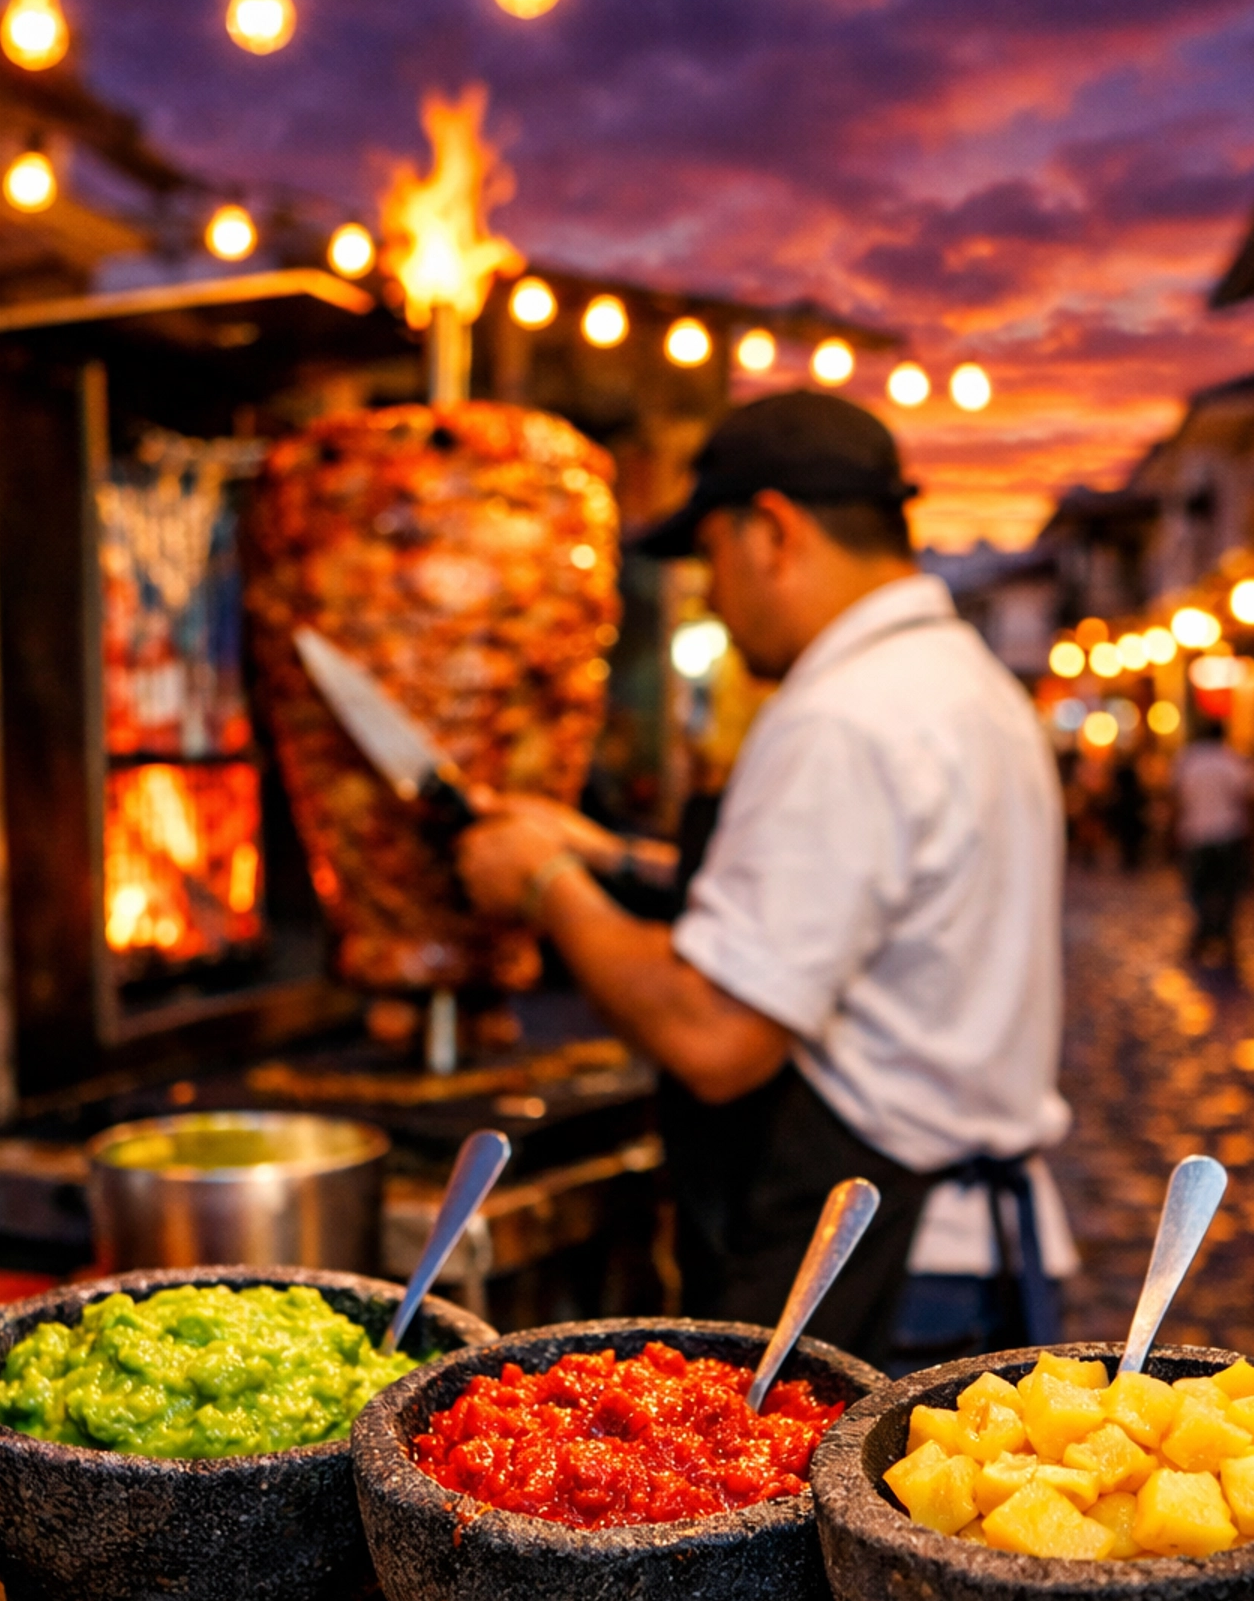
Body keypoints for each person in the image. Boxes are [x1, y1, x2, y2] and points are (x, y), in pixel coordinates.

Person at [456, 392, 1071, 1366]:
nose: (711, 595)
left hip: (880, 1270)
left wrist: (547, 886)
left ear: (770, 531)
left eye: (709, 560)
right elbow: (849, 900)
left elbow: (717, 1036)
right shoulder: (967, 684)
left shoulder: (843, 715)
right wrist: (612, 858)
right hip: (969, 1255)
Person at [1172, 711, 1254, 966]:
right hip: (1228, 834)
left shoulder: (1187, 761)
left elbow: (1177, 800)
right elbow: (1247, 797)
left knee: (1198, 888)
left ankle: (1204, 932)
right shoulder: (1232, 760)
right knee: (1228, 888)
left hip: (1196, 834)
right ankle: (1223, 934)